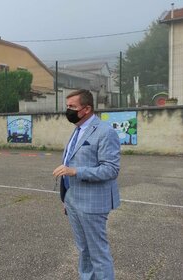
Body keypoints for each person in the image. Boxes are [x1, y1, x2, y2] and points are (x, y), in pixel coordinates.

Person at [52, 89, 121, 280]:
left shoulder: (105, 132)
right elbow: (70, 161)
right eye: (67, 106)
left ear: (87, 108)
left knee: (98, 253)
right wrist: (66, 198)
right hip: (74, 200)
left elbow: (111, 169)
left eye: (72, 107)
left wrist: (76, 171)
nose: (68, 110)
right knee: (84, 250)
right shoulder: (78, 130)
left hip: (93, 203)